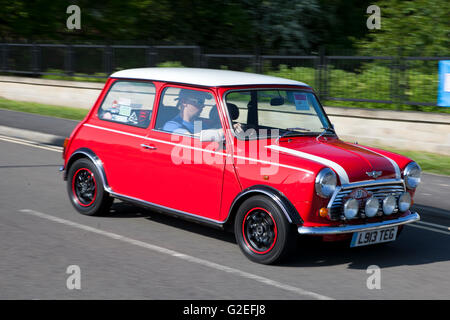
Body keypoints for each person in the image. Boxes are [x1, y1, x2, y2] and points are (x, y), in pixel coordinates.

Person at [163, 89, 242, 140]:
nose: (203, 105)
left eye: (203, 102)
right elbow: (191, 138)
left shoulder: (197, 123)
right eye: (199, 102)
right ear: (184, 102)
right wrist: (224, 131)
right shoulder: (172, 125)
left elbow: (206, 135)